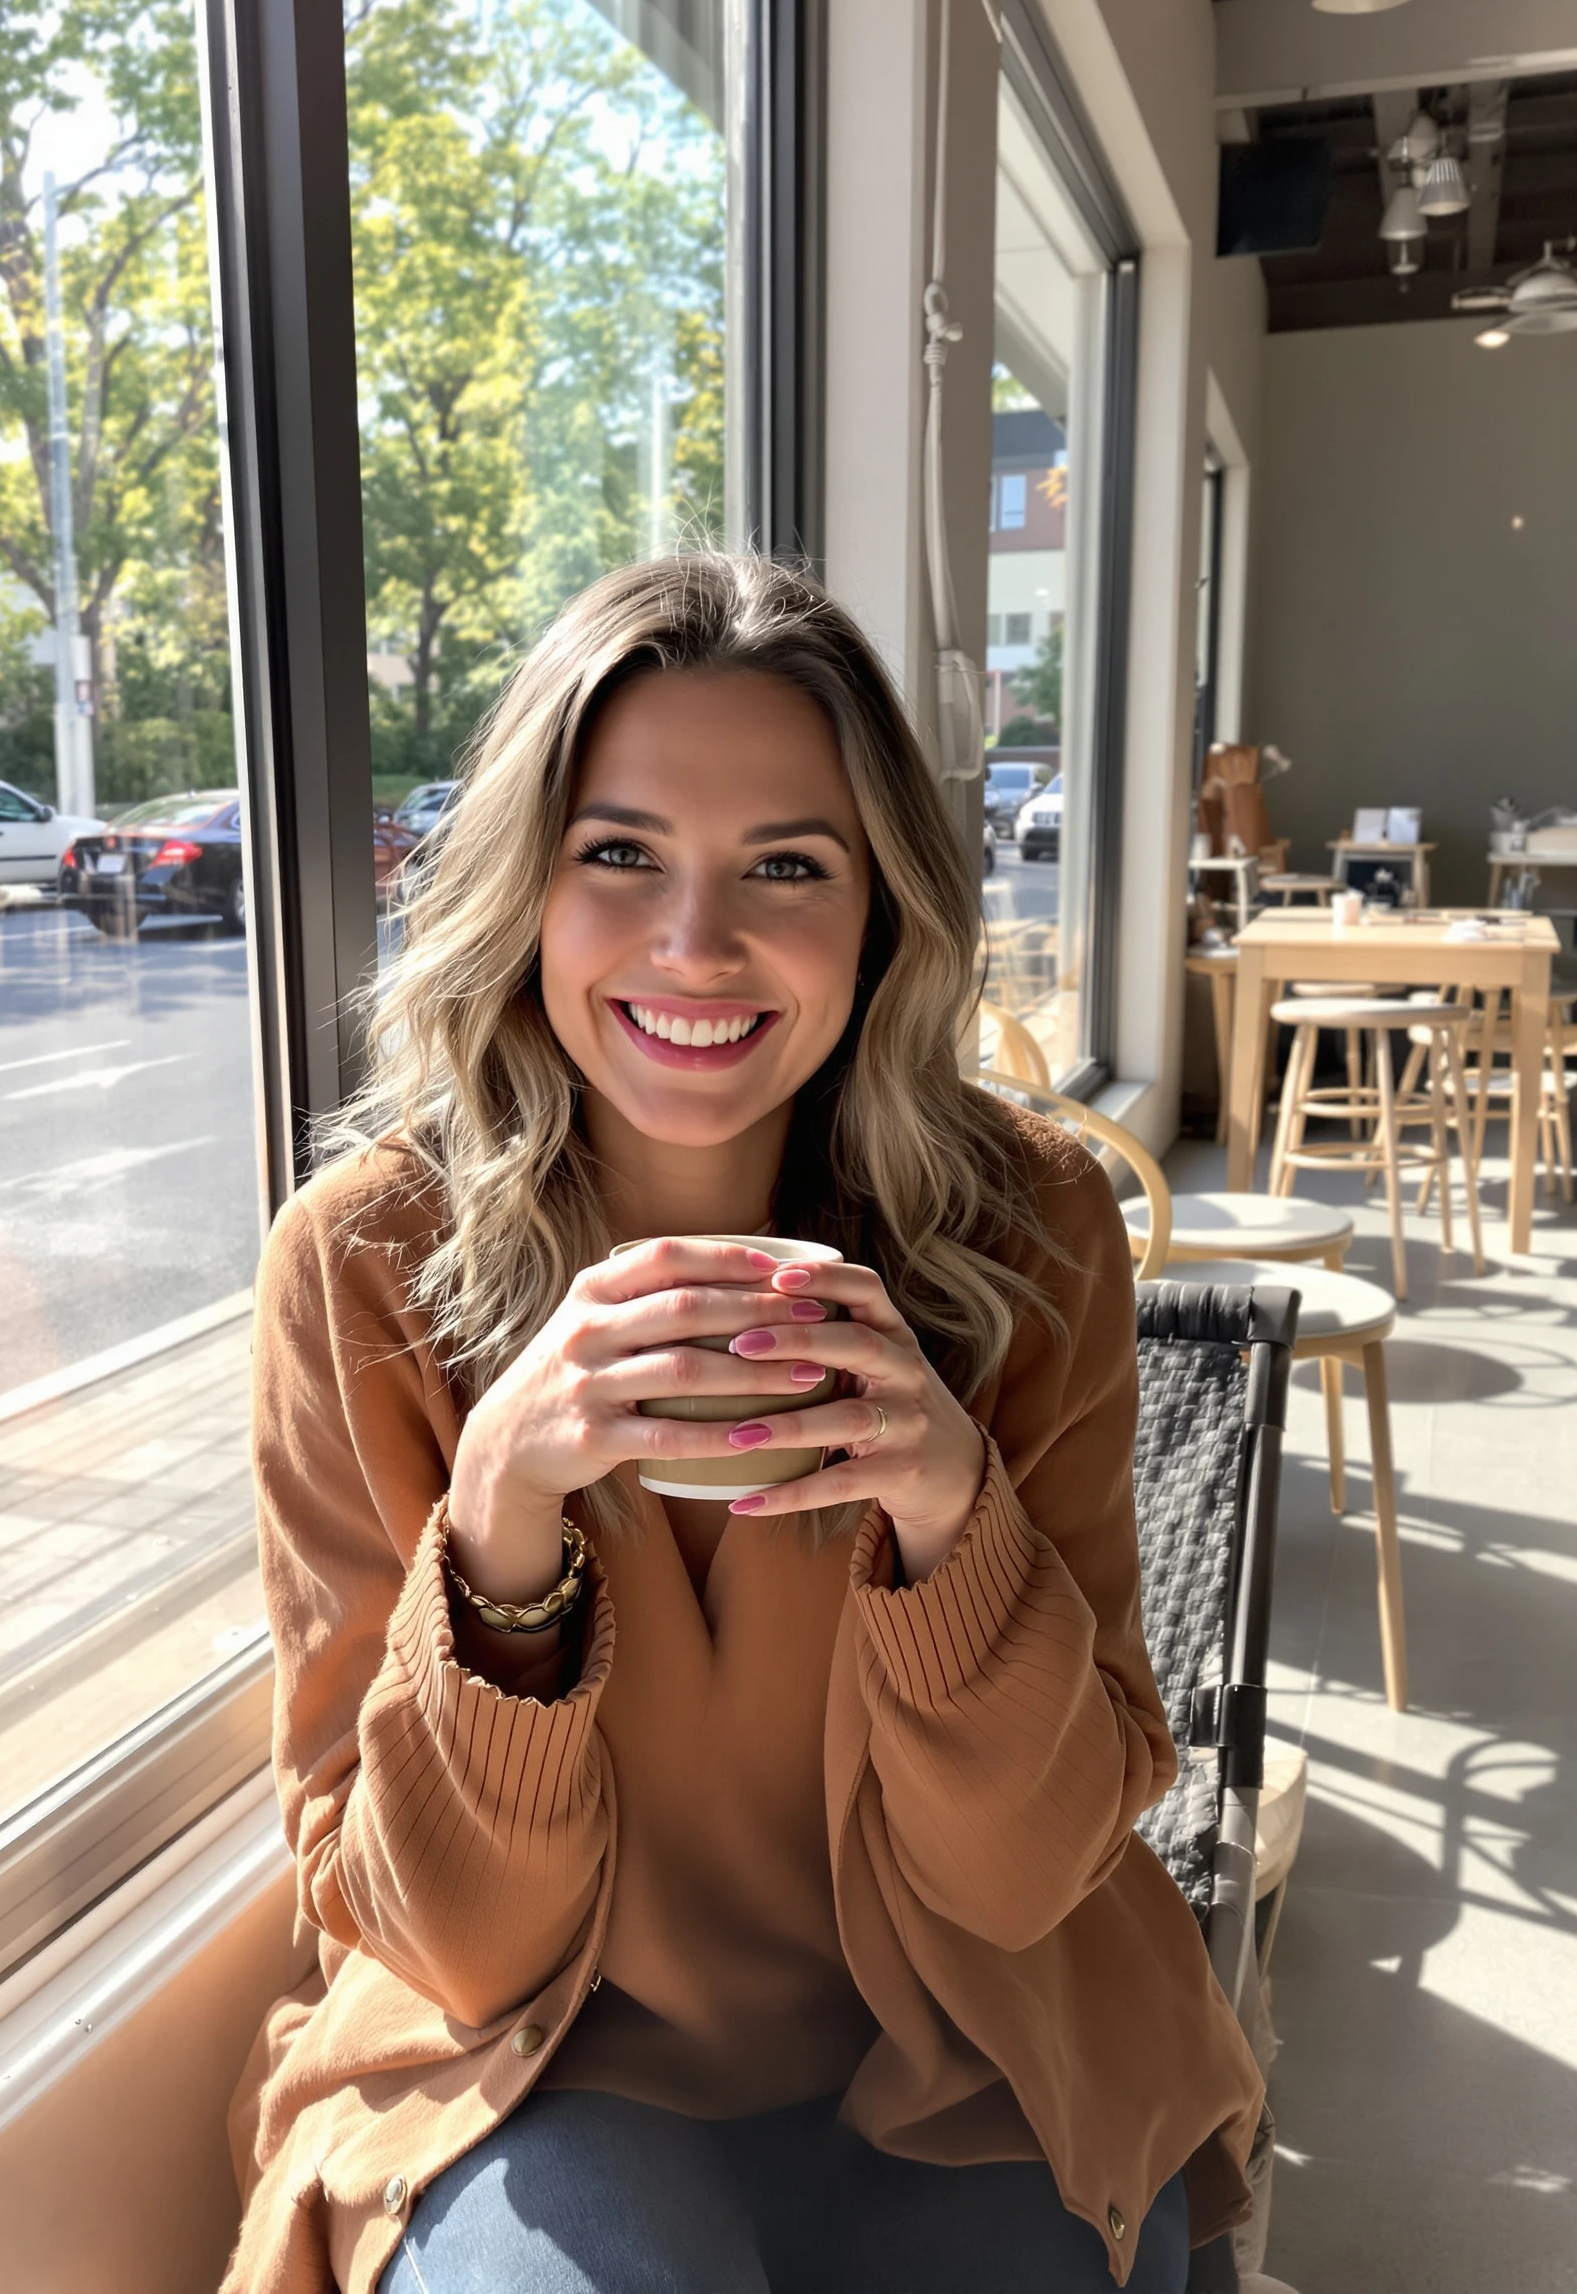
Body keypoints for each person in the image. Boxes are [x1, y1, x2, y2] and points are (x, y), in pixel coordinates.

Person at [220, 554, 1262, 2294]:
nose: (695, 945)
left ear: (882, 919)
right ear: (525, 891)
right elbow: (446, 1945)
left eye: (788, 866)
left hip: (988, 2035)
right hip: (536, 2062)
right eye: (617, 853)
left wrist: (952, 1520)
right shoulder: (365, 1267)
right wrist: (498, 1525)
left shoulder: (1029, 1232)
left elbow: (1031, 1880)